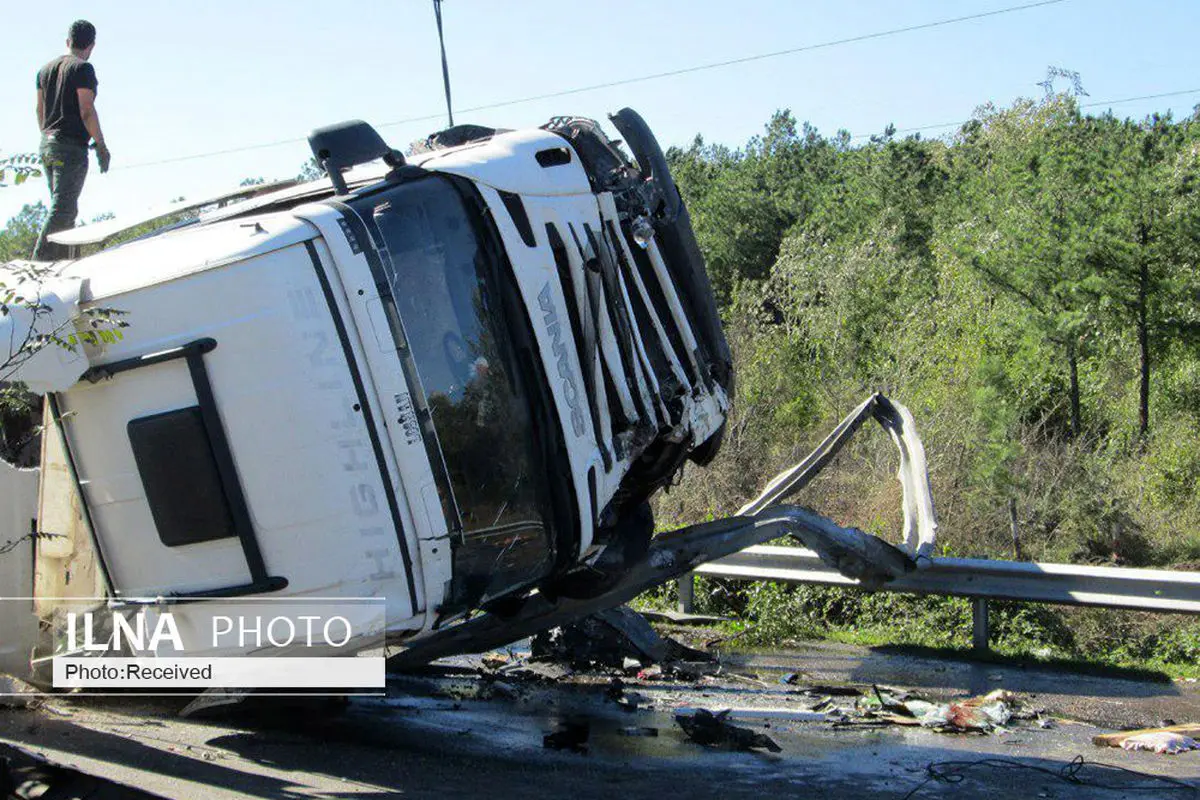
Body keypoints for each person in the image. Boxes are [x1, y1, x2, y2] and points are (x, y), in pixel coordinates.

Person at [31, 19, 110, 261]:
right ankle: (38, 263)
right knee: (63, 209)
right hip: (70, 147)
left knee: (65, 208)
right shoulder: (82, 69)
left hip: (48, 144)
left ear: (68, 41)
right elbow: (86, 110)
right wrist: (101, 146)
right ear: (92, 46)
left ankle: (61, 262)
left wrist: (48, 137)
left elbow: (39, 111)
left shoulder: (45, 70)